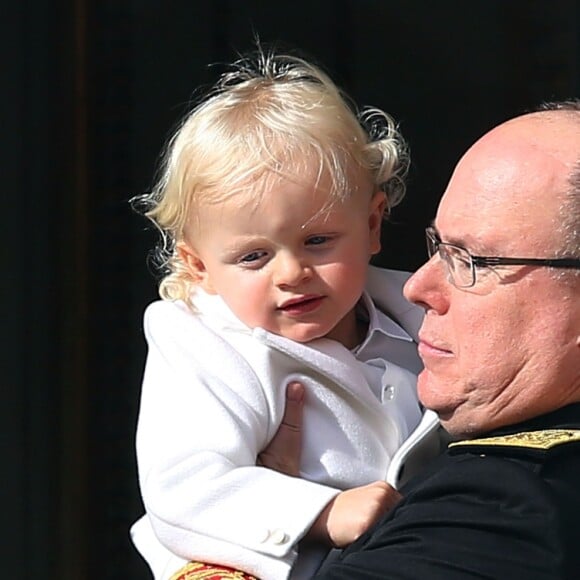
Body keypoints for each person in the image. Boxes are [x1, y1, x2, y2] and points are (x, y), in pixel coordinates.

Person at [130, 49, 442, 580]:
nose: (291, 272)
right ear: (199, 265)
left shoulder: (420, 309)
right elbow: (184, 486)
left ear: (372, 224)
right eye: (253, 256)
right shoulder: (201, 339)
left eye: (318, 240)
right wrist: (321, 512)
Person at [263, 100, 580, 579]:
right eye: (438, 247)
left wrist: (245, 530)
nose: (417, 288)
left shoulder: (500, 512)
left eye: (472, 261)